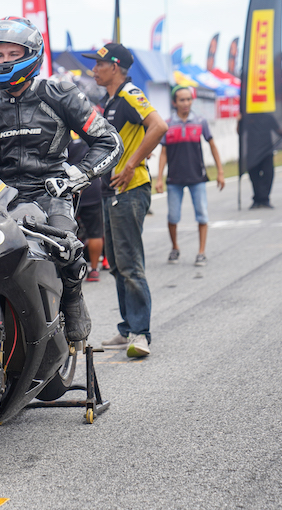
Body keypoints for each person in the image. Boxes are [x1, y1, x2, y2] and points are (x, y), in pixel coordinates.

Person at [0, 17, 122, 342]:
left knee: (66, 245)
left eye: (12, 53)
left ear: (32, 53)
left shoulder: (59, 93)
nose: (4, 60)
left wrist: (76, 176)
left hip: (51, 191)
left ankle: (74, 300)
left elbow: (110, 141)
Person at [82, 43, 168, 358]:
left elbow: (159, 126)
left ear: (115, 66)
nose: (94, 70)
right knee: (117, 264)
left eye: (99, 64)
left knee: (130, 264)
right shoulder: (110, 100)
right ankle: (127, 328)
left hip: (130, 189)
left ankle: (141, 334)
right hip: (110, 190)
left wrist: (131, 164)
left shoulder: (131, 94)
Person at [155, 86, 225, 267]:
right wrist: (159, 178)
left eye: (188, 99)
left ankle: (201, 252)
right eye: (182, 100)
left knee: (202, 215)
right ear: (174, 102)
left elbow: (212, 146)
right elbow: (163, 152)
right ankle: (175, 247)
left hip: (197, 177)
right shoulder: (168, 124)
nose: (186, 103)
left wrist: (220, 172)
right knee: (173, 216)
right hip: (174, 179)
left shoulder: (201, 122)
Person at [66, 132, 104, 282]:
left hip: (69, 189)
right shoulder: (92, 133)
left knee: (67, 232)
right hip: (92, 187)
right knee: (95, 232)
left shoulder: (62, 132)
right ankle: (94, 269)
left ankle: (71, 271)